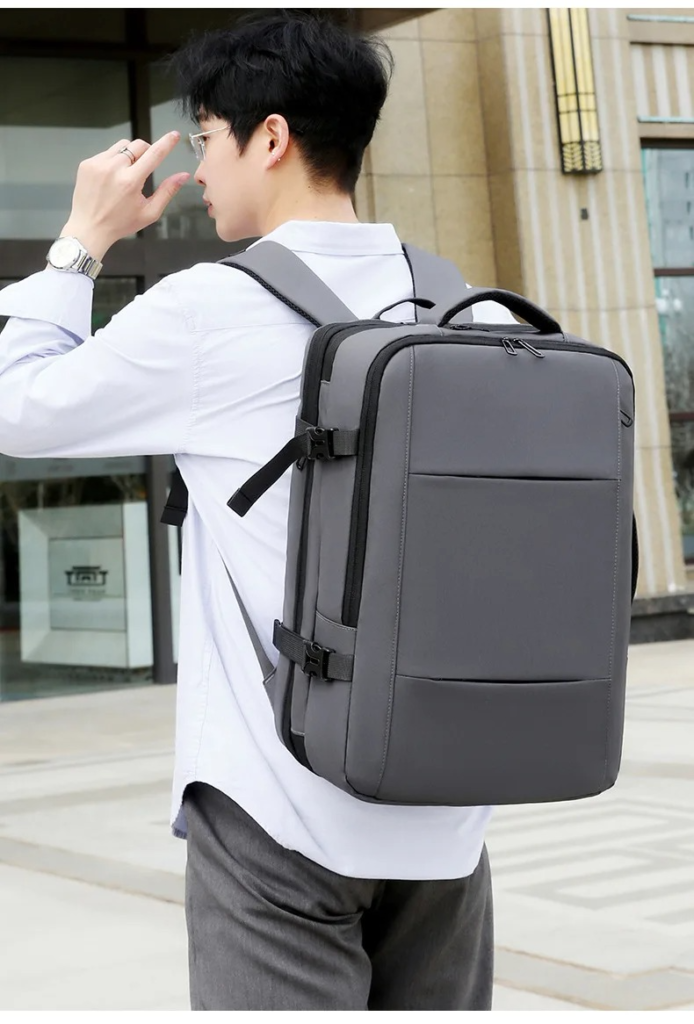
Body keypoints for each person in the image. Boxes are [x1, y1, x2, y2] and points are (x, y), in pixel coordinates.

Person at [0, 11, 514, 1011]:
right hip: (450, 819)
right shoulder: (473, 310)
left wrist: (82, 242)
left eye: (206, 138)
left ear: (270, 137)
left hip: (281, 817)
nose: (199, 167)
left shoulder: (211, 311)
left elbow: (17, 406)